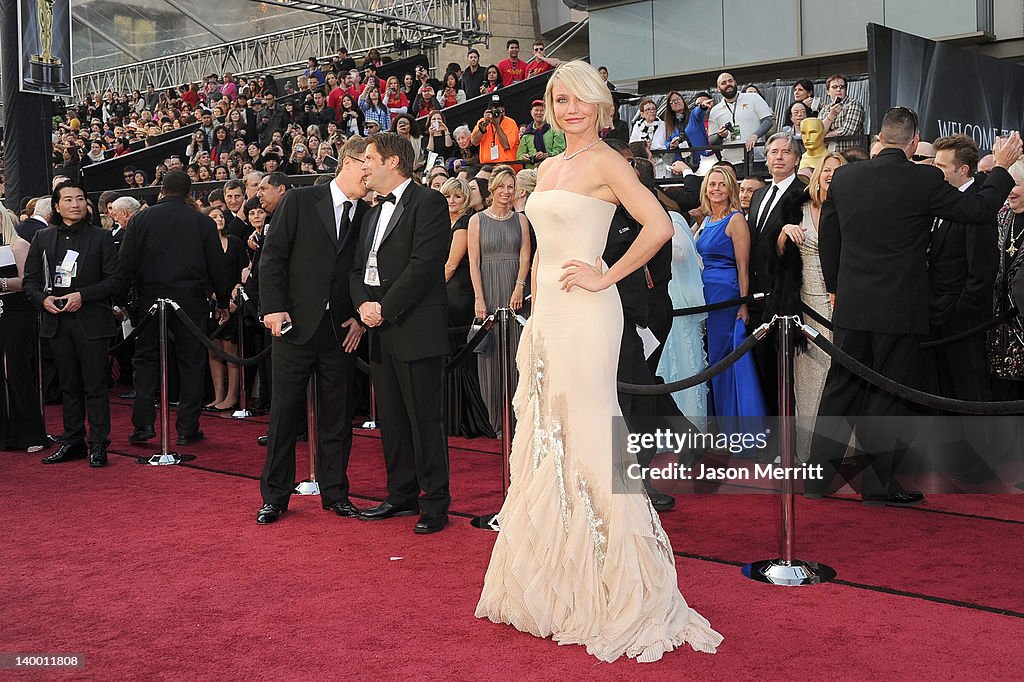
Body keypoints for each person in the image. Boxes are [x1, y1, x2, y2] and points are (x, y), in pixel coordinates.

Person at [476, 60, 722, 663]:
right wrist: (534, 306)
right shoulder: (546, 165)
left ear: (600, 105)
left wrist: (606, 274)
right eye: (561, 99)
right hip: (550, 315)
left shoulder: (607, 160)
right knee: (548, 437)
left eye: (581, 99)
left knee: (590, 437)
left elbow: (660, 224)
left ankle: (618, 590)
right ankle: (559, 580)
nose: (571, 109)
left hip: (589, 312)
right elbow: (541, 244)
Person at [808, 108, 1022, 505]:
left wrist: (838, 286)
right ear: (912, 141)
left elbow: (829, 237)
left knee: (841, 389)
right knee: (889, 395)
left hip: (853, 306)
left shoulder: (846, 176)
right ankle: (877, 486)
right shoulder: (923, 178)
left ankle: (817, 479)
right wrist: (1002, 168)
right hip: (900, 309)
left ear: (880, 137)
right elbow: (977, 211)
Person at [255, 137, 370, 525]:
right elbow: (272, 258)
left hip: (340, 331)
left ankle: (337, 494)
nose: (372, 176)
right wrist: (272, 308)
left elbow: (366, 273)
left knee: (337, 418)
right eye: (368, 166)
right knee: (284, 415)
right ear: (349, 163)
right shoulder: (301, 201)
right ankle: (275, 496)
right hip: (293, 327)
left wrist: (358, 316)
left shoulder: (368, 214)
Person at [349, 132, 452, 534]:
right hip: (379, 328)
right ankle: (402, 494)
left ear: (393, 162)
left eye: (370, 158)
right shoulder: (371, 213)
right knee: (391, 417)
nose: (365, 166)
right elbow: (356, 269)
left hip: (415, 327)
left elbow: (425, 265)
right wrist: (363, 307)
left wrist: (384, 309)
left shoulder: (428, 202)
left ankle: (435, 501)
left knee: (424, 418)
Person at [119, 171, 231, 447]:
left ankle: (143, 424)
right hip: (190, 301)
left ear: (161, 190)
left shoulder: (141, 220)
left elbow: (125, 263)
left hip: (150, 300)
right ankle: (187, 427)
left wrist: (121, 300)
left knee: (146, 361)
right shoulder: (202, 222)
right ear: (189, 192)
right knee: (191, 362)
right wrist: (224, 301)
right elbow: (218, 265)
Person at [23, 182, 122, 467]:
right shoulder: (42, 238)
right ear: (57, 206)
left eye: (80, 199)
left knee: (95, 387)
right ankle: (73, 440)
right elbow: (30, 281)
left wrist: (83, 295)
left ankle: (99, 445)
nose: (75, 204)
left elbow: (115, 280)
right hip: (56, 323)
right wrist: (43, 300)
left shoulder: (101, 237)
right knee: (68, 385)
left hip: (92, 322)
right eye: (68, 199)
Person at [772, 152, 846, 460]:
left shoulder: (849, 209)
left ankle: (840, 453)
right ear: (817, 174)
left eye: (837, 171)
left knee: (839, 378)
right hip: (803, 306)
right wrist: (783, 234)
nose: (830, 174)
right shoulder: (796, 207)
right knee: (807, 382)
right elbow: (774, 254)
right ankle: (807, 454)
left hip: (841, 305)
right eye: (826, 169)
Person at [695, 165, 767, 424]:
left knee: (724, 358)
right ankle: (722, 422)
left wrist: (744, 304)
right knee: (714, 359)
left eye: (722, 184)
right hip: (707, 295)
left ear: (730, 189)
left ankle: (734, 425)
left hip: (727, 295)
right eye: (712, 184)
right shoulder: (707, 220)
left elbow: (743, 266)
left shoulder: (735, 219)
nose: (716, 189)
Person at [467, 166, 531, 436]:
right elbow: (473, 261)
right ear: (492, 188)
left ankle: (519, 422)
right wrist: (479, 298)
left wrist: (519, 287)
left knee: (518, 354)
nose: (507, 192)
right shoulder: (477, 221)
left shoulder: (522, 221)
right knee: (490, 357)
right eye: (502, 186)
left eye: (511, 186)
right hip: (489, 291)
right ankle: (496, 421)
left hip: (515, 291)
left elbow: (526, 256)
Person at [441, 177, 493, 439]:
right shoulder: (443, 222)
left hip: (457, 295)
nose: (451, 201)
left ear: (465, 201)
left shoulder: (463, 224)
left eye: (457, 197)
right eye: (447, 196)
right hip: (445, 293)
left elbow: (451, 265)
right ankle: (452, 417)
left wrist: (427, 289)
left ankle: (466, 419)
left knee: (458, 354)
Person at [0, 208, 48, 452]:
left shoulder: (18, 244)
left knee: (15, 370)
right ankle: (6, 434)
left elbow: (27, 280)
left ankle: (32, 434)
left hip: (16, 313)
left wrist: (1, 283)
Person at [203, 206, 248, 413]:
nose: (219, 219)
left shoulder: (235, 243)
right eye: (214, 216)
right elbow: (202, 275)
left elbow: (243, 270)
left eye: (221, 216)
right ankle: (218, 395)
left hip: (233, 303)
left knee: (231, 350)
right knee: (214, 350)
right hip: (211, 303)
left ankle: (232, 396)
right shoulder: (202, 245)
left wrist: (232, 295)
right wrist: (216, 297)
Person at [470, 94, 519, 166]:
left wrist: (497, 125)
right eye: (495, 110)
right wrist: (484, 124)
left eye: (500, 110)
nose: (498, 113)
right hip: (486, 165)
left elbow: (506, 145)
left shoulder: (510, 123)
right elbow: (474, 141)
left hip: (505, 165)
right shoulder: (483, 122)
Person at [516, 99, 566, 169]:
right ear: (531, 112)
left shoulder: (555, 129)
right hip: (532, 172)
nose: (539, 113)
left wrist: (546, 155)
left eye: (542, 110)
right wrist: (524, 157)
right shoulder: (527, 133)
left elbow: (561, 150)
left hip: (553, 168)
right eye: (536, 110)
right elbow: (519, 155)